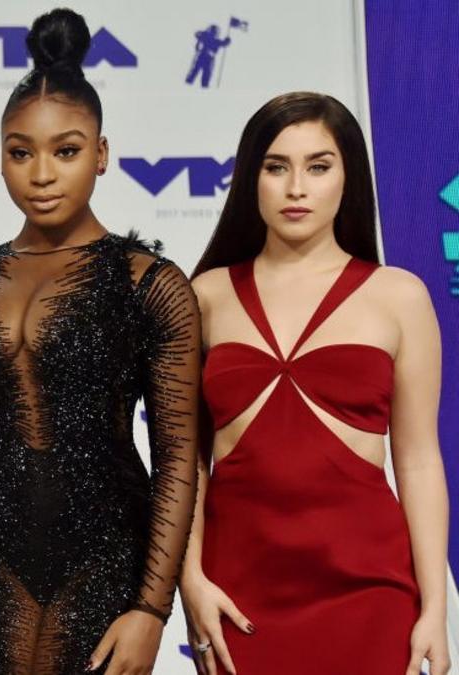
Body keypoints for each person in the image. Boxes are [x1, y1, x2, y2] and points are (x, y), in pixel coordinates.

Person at [0, 8, 199, 674]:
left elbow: (178, 460)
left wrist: (152, 609)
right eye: (21, 152)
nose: (41, 173)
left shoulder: (149, 283)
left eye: (65, 150)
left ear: (101, 154)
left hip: (104, 561)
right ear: (1, 158)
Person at [181, 91, 451, 675]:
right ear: (250, 179)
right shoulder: (204, 296)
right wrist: (190, 579)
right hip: (238, 595)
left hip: (370, 589)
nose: (296, 188)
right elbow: (185, 463)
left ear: (348, 177)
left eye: (319, 166)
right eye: (276, 167)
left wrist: (436, 608)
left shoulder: (400, 296)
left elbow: (418, 460)